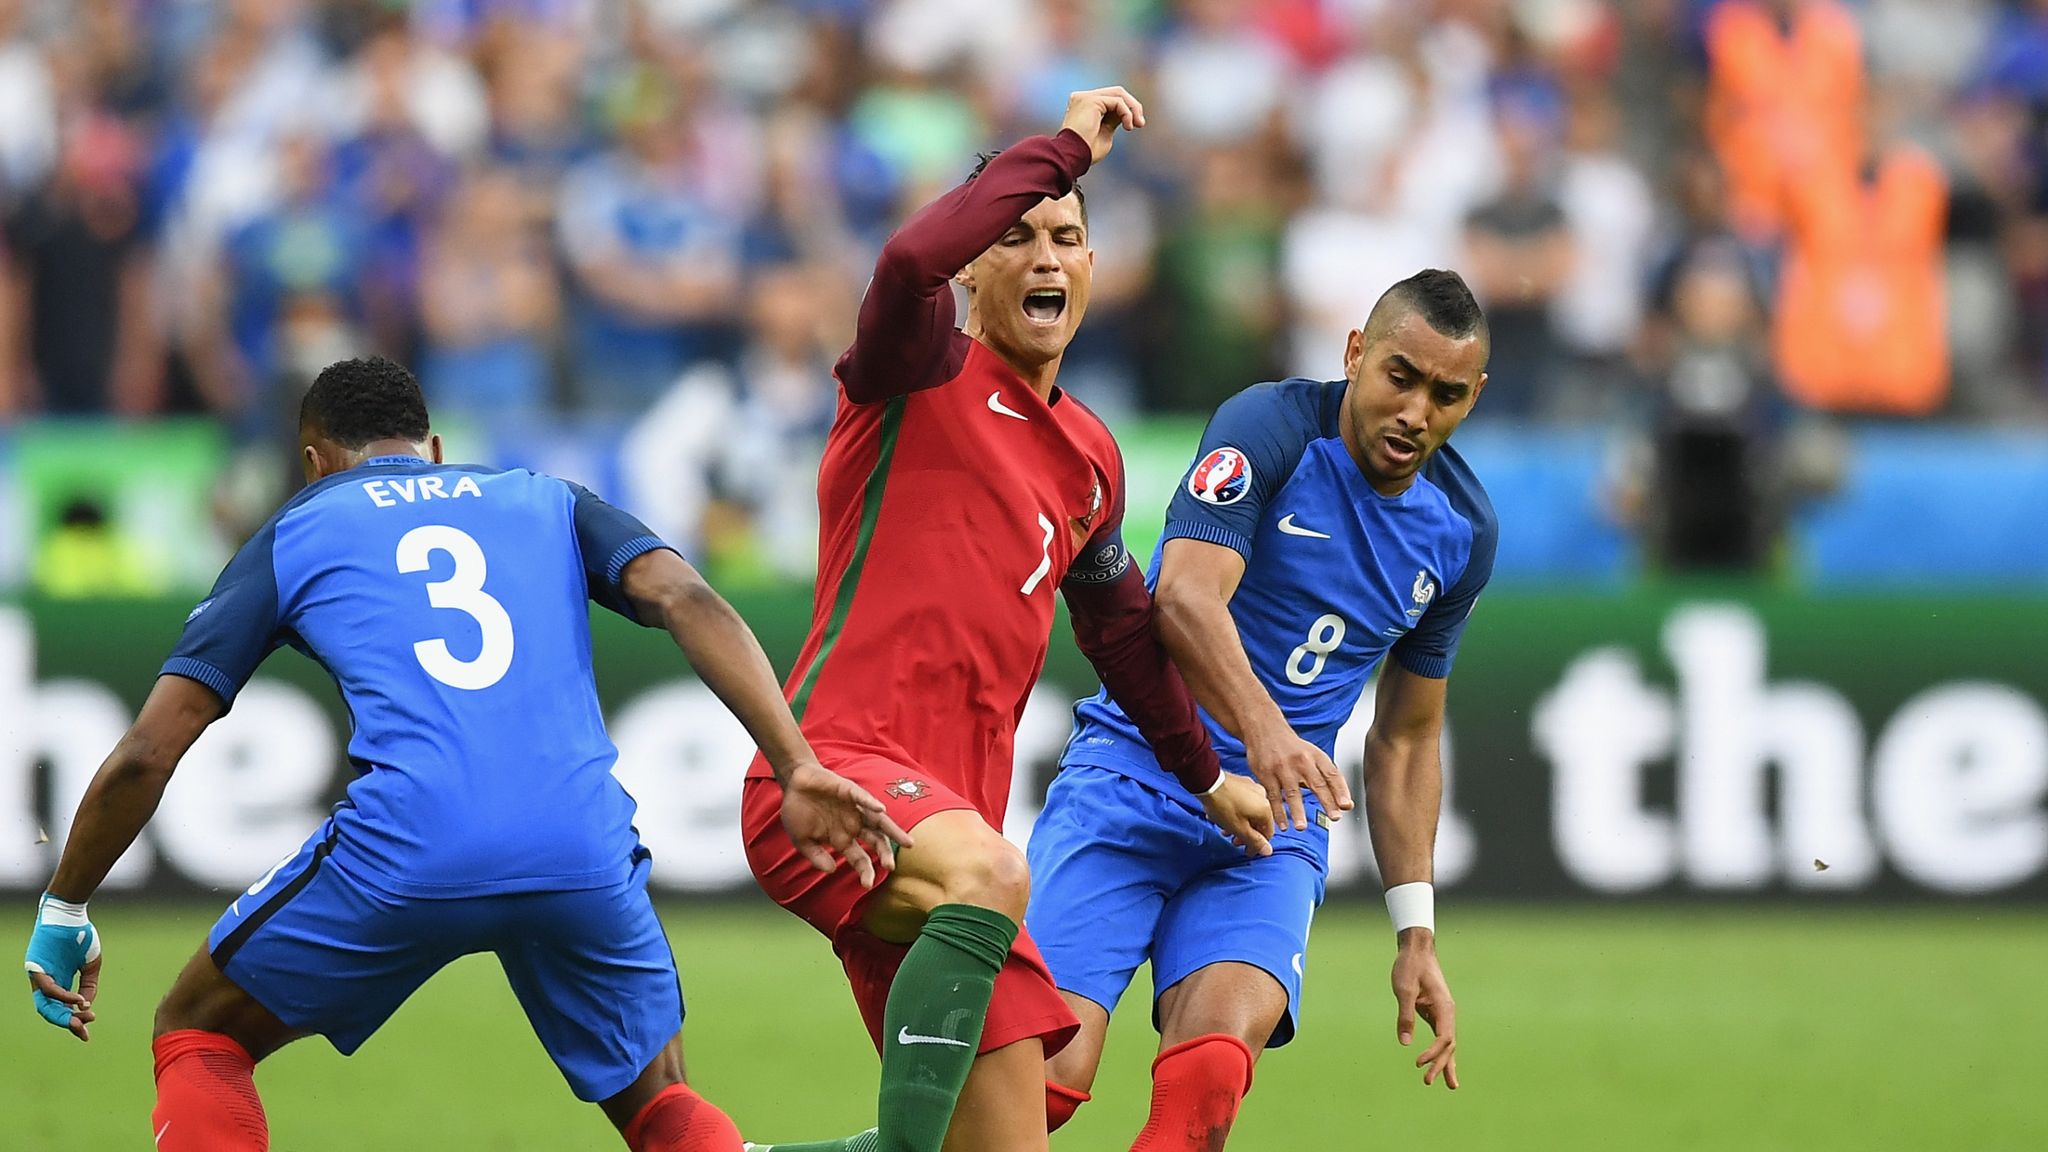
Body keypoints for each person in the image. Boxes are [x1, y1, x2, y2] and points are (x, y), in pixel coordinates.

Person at [21, 356, 907, 1152]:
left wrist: (65, 905)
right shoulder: (545, 496)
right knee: (657, 1101)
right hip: (579, 849)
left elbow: (149, 750)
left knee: (198, 1033)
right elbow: (685, 596)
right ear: (436, 448)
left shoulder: (302, 524)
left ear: (314, 460)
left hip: (411, 846)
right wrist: (796, 763)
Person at [737, 89, 1273, 1152]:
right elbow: (903, 264)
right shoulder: (915, 366)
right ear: (974, 268)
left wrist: (1207, 777)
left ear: (1093, 270)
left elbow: (1120, 633)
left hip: (951, 860)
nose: (1043, 258)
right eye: (1016, 236)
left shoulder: (1089, 455)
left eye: (1067, 238)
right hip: (837, 781)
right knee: (992, 871)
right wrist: (1067, 147)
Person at [1029, 270, 1498, 1147]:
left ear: (1473, 398)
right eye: (1400, 376)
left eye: (1446, 395)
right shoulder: (1269, 428)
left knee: (1207, 1083)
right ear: (1356, 354)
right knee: (1041, 1080)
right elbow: (1184, 600)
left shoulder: (1461, 531)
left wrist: (1416, 931)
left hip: (1271, 831)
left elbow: (1405, 736)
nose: (1416, 412)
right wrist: (1268, 733)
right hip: (1137, 776)